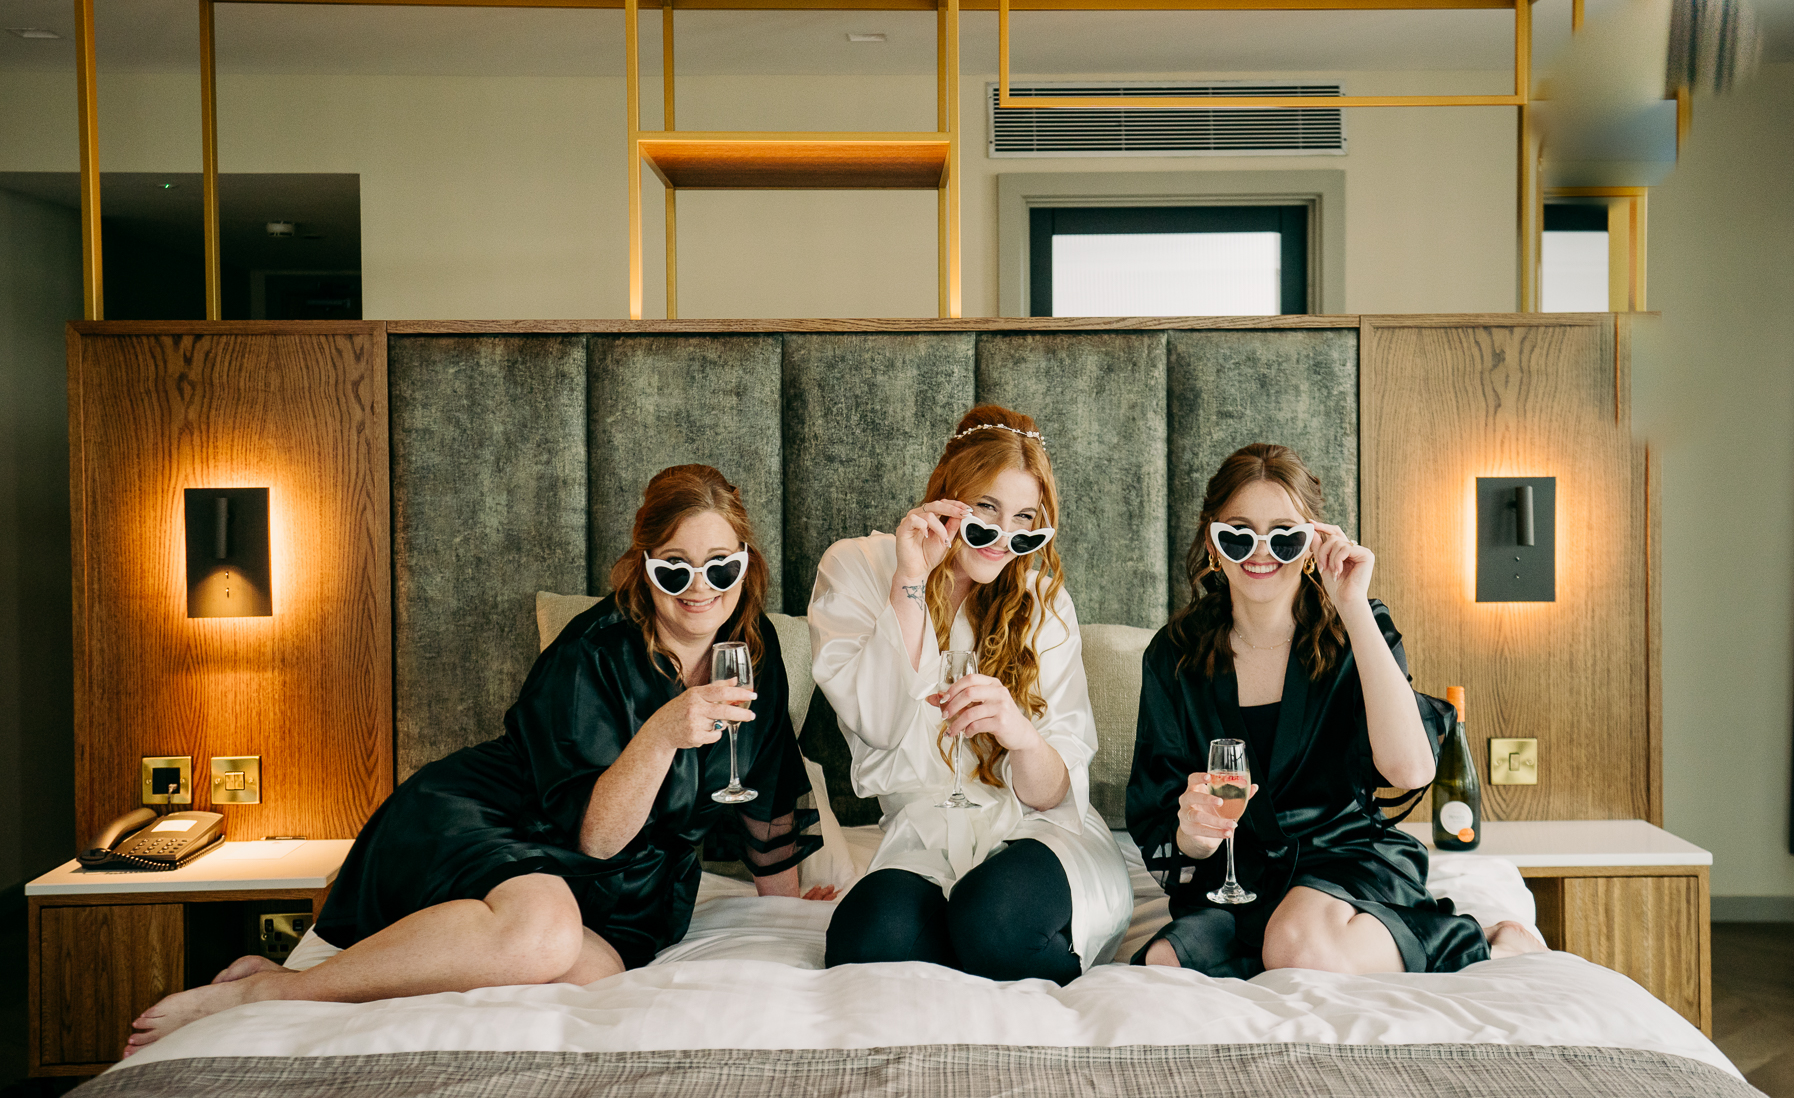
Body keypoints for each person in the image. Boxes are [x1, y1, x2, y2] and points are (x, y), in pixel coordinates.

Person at [125, 464, 826, 1055]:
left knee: (590, 973)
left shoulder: (752, 645)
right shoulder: (594, 652)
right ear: (644, 568)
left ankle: (465, 941)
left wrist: (786, 905)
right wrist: (661, 733)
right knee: (544, 932)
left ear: (746, 563)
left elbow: (762, 779)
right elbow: (596, 834)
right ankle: (275, 989)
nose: (701, 588)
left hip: (631, 889)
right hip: (499, 817)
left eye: (721, 566)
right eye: (676, 568)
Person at [1126, 443, 1545, 978]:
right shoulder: (1174, 655)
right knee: (1162, 966)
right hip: (1236, 874)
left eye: (1283, 535)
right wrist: (1194, 832)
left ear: (1311, 544)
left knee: (1298, 947)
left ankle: (1485, 941)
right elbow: (1160, 818)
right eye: (1238, 533)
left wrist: (1352, 604)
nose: (1261, 552)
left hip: (1343, 859)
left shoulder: (1358, 629)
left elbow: (1410, 770)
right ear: (1213, 543)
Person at [808, 404, 1132, 984]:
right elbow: (880, 723)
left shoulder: (1042, 600)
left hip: (1035, 832)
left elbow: (1052, 793)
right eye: (986, 511)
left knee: (997, 918)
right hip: (926, 833)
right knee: (864, 940)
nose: (1003, 538)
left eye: (1025, 519)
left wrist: (1020, 736)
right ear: (948, 494)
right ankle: (981, 947)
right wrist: (911, 577)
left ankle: (1005, 940)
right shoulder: (855, 566)